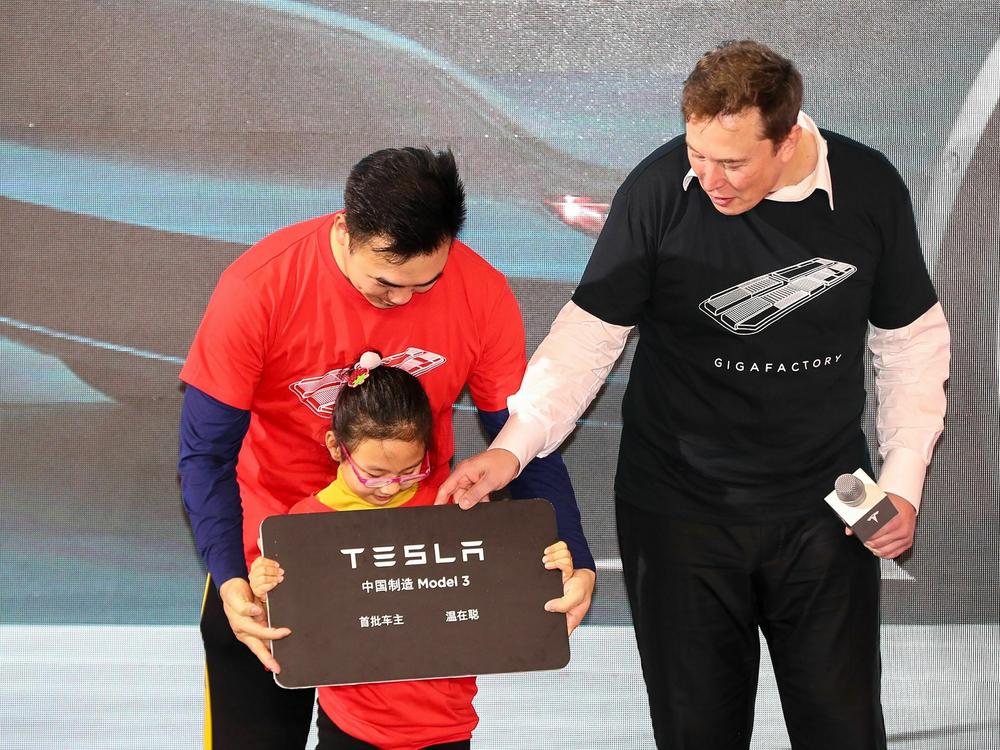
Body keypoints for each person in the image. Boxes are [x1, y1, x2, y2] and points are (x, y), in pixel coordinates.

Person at [437, 41, 950, 750]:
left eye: (733, 162)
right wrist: (512, 448)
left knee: (845, 729)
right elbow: (587, 340)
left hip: (830, 500)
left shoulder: (867, 187)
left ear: (789, 137)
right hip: (677, 511)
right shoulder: (657, 190)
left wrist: (901, 483)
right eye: (697, 153)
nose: (710, 177)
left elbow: (911, 344)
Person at [178, 147, 596, 750]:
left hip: (409, 566)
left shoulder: (481, 293)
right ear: (345, 231)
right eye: (384, 282)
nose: (401, 302)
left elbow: (526, 437)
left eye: (424, 284)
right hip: (271, 553)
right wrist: (230, 577)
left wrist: (576, 555)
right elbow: (205, 457)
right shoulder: (258, 288)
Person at [248, 353, 575, 749]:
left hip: (447, 726)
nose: (390, 487)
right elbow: (287, 627)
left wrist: (547, 568)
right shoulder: (302, 526)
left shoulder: (447, 513)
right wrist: (265, 589)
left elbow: (502, 592)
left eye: (410, 471)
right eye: (374, 474)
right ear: (336, 447)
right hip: (351, 729)